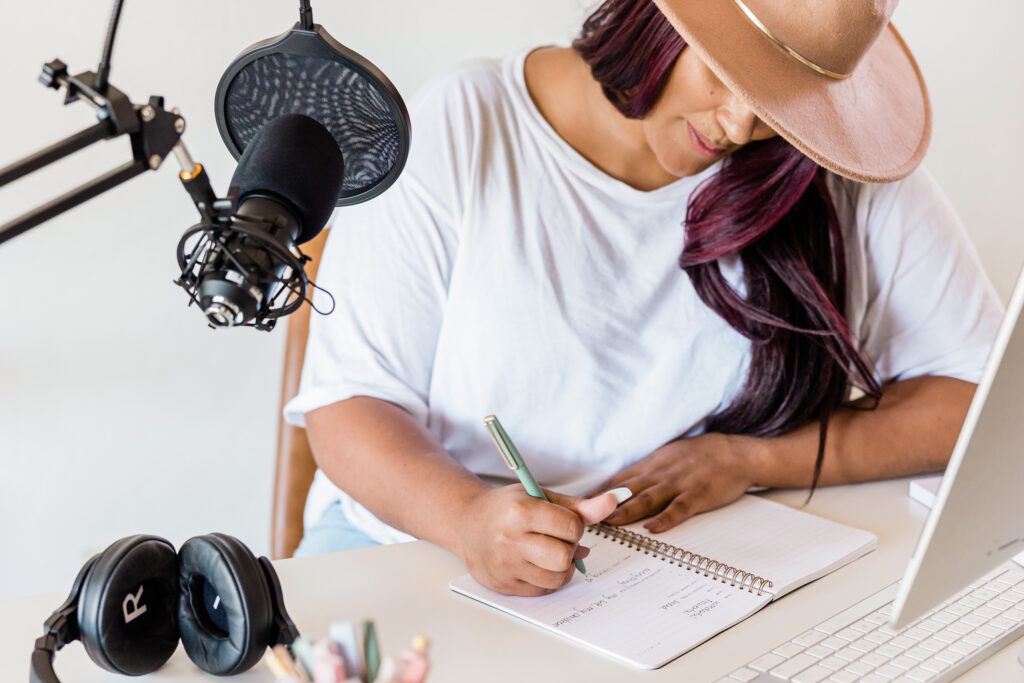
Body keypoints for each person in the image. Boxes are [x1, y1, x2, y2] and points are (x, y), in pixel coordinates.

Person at [283, 0, 1003, 597]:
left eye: (782, 101)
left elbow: (983, 396)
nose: (739, 129)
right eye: (725, 74)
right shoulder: (463, 125)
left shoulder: (820, 157)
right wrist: (470, 518)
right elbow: (348, 406)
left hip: (659, 585)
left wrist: (751, 459)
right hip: (411, 551)